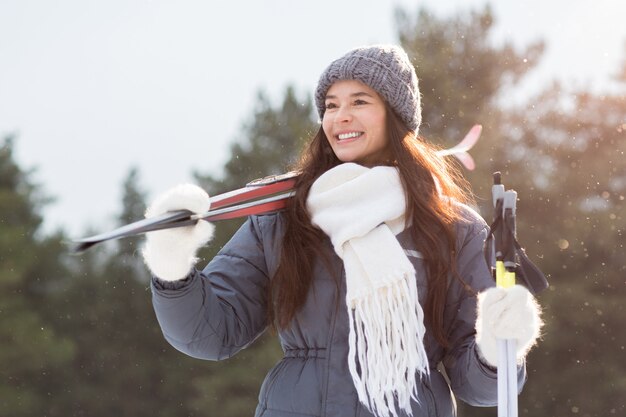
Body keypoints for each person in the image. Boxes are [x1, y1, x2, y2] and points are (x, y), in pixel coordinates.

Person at [142, 45, 543, 417]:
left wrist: (496, 348)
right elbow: (211, 333)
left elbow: (479, 387)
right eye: (331, 105)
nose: (340, 116)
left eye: (359, 102)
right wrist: (172, 264)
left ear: (395, 115)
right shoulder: (285, 219)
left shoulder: (451, 229)